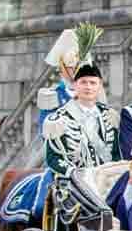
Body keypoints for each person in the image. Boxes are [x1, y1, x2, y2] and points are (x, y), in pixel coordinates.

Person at [40, 27, 117, 173]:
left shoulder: (97, 95)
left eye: (78, 66)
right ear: (62, 66)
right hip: (65, 166)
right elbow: (47, 137)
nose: (75, 70)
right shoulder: (51, 96)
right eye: (71, 66)